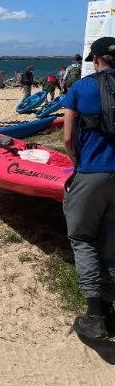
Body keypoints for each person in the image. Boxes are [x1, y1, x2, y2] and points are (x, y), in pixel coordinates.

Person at [63, 36, 115, 339]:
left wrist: (77, 163)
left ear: (95, 60)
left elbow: (68, 137)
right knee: (112, 238)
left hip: (92, 171)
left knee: (82, 237)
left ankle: (95, 314)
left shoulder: (81, 87)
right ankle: (108, 302)